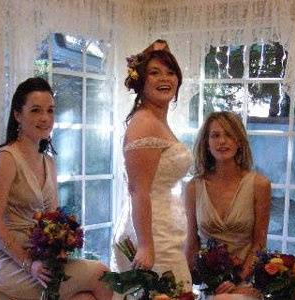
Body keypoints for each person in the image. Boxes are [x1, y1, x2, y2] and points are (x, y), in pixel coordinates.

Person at [0, 77, 113, 300]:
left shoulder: (49, 162)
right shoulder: (6, 159)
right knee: (102, 274)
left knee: (86, 298)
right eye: (35, 110)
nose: (45, 118)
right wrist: (28, 263)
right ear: (17, 115)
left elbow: (53, 220)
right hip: (4, 260)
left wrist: (62, 243)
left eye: (50, 111)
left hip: (40, 258)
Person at [111, 40, 193, 290]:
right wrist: (146, 245)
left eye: (170, 72)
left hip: (164, 227)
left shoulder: (158, 120)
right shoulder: (145, 122)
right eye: (154, 72)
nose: (164, 78)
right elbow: (138, 189)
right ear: (141, 81)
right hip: (153, 234)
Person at [184, 111, 271, 298]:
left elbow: (259, 243)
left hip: (246, 280)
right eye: (215, 135)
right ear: (206, 143)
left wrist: (237, 280)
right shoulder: (193, 187)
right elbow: (192, 242)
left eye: (229, 135)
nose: (222, 141)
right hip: (210, 284)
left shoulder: (259, 185)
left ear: (239, 141)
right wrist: (184, 285)